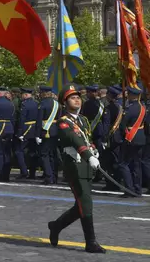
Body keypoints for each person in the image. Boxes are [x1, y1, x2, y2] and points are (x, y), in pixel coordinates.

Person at [48, 84, 105, 254]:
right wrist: (89, 156)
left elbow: (87, 139)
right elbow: (75, 140)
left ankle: (56, 225)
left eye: (78, 97)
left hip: (86, 166)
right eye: (72, 97)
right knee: (85, 202)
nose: (77, 99)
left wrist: (94, 150)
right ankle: (91, 242)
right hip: (74, 166)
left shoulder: (83, 120)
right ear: (65, 102)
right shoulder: (63, 122)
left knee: (81, 204)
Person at [118, 86, 146, 197]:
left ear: (132, 95)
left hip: (131, 138)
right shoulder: (143, 107)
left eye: (129, 94)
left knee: (123, 164)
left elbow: (122, 125)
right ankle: (137, 189)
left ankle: (129, 189)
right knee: (137, 164)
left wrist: (123, 136)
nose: (127, 96)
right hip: (141, 138)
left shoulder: (130, 108)